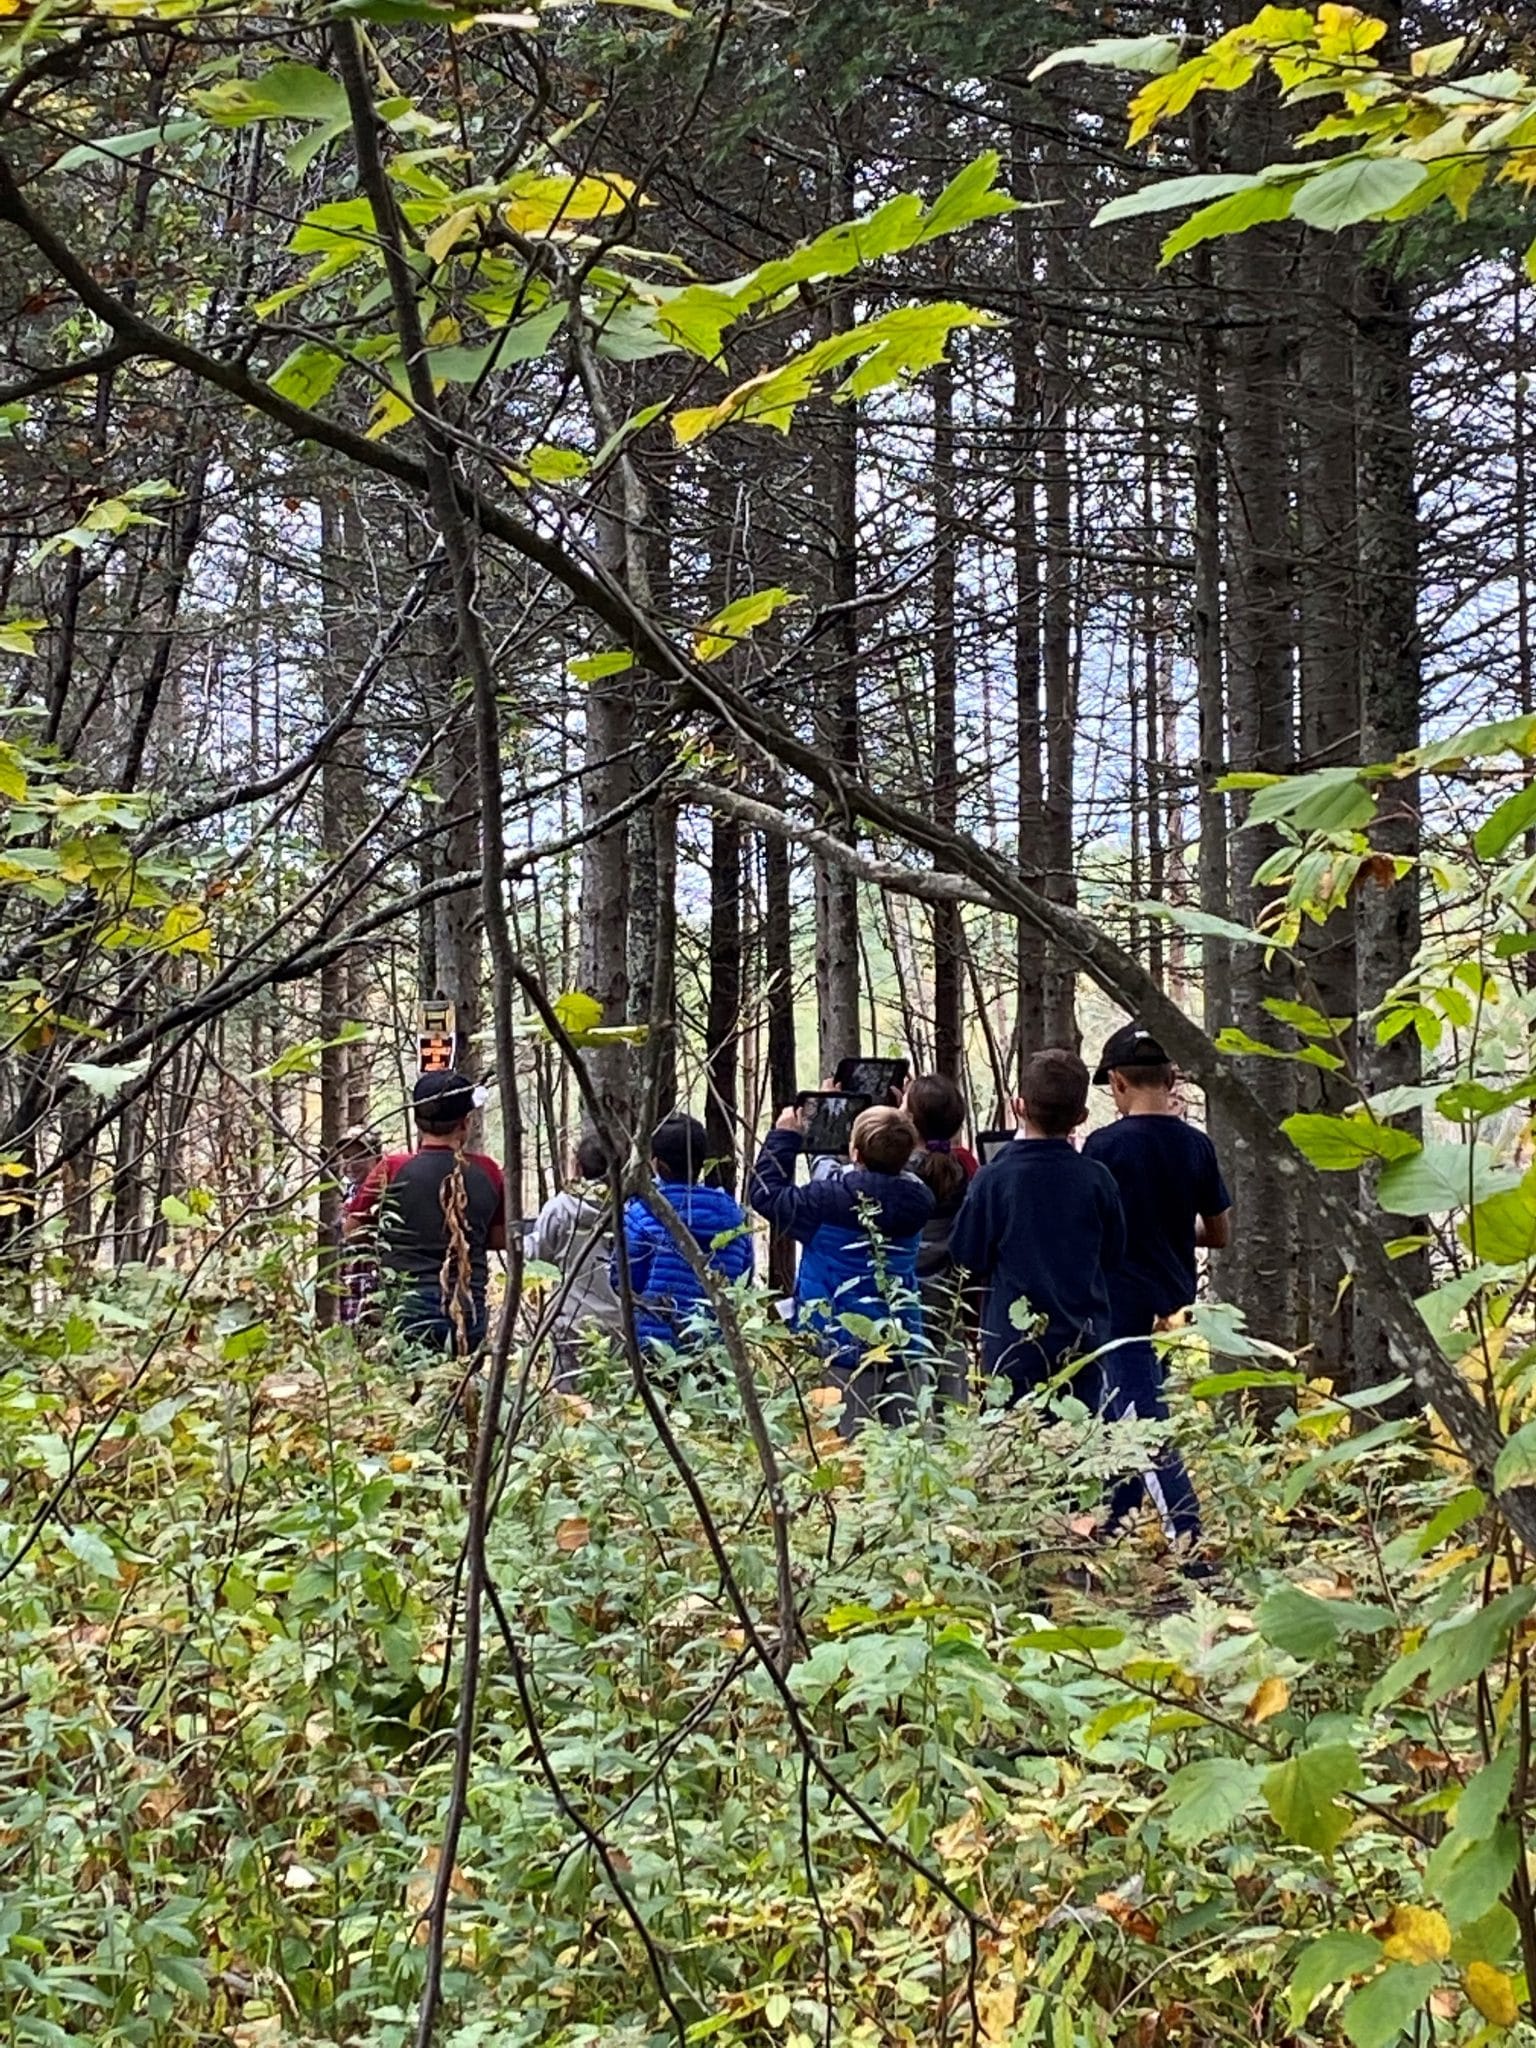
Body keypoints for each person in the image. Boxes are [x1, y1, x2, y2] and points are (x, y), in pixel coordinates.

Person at [1083, 1024, 1233, 1548]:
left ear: (1118, 1082)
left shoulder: (1103, 1146)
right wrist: (1174, 1229)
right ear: (1171, 1079)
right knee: (1127, 1411)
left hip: (1120, 1305)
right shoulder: (1196, 1146)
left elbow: (1089, 1225)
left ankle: (1188, 1537)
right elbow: (1219, 1232)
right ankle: (1116, 1521)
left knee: (1140, 1420)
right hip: (1173, 1304)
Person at [950, 1049, 1125, 1406]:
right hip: (1082, 1341)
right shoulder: (1098, 1180)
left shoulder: (993, 1179)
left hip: (1012, 1344)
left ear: (1019, 1106)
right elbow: (1113, 1254)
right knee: (1079, 1432)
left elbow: (966, 1255)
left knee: (1011, 1435)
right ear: (1081, 1116)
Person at [750, 1102, 935, 1435]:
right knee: (909, 1447)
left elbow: (766, 1195)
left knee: (842, 1450)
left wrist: (783, 1137)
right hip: (903, 1344)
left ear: (855, 1153)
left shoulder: (824, 1204)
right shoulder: (918, 1199)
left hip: (840, 1348)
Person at [344, 1072, 507, 1356]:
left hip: (405, 1308)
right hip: (466, 1309)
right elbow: (499, 1238)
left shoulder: (391, 1169)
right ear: (465, 1123)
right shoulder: (488, 1172)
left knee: (406, 1380)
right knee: (460, 1381)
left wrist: (394, 1239)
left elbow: (352, 1230)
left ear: (417, 1122)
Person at [619, 1114, 754, 1355]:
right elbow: (744, 1280)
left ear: (657, 1163)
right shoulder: (734, 1218)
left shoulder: (640, 1215)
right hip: (716, 1348)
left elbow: (624, 1282)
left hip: (655, 1349)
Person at [524, 1128, 624, 1386]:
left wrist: (519, 1239)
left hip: (570, 1320)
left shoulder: (560, 1209)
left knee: (570, 1400)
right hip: (617, 1323)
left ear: (578, 1168)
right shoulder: (628, 1208)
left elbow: (536, 1255)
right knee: (611, 1393)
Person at [904, 1074, 978, 1404]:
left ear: (909, 1120)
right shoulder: (963, 1167)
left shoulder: (897, 1171)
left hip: (907, 1292)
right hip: (949, 1290)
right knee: (949, 1365)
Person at [335, 1124, 382, 1328]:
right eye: (346, 1157)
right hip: (351, 1279)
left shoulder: (382, 1189)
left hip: (373, 1279)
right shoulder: (350, 1191)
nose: (351, 1164)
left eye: (359, 1157)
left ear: (376, 1158)